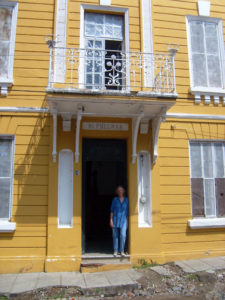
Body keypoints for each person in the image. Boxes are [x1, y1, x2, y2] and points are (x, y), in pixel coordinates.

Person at [110, 186, 129, 257]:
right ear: (117, 192)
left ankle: (122, 251)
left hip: (123, 220)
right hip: (115, 219)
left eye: (121, 190)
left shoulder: (127, 200)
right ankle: (115, 251)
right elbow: (111, 210)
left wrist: (127, 221)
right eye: (119, 191)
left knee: (123, 235)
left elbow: (127, 211)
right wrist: (111, 220)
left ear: (123, 192)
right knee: (115, 236)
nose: (120, 192)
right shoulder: (115, 200)